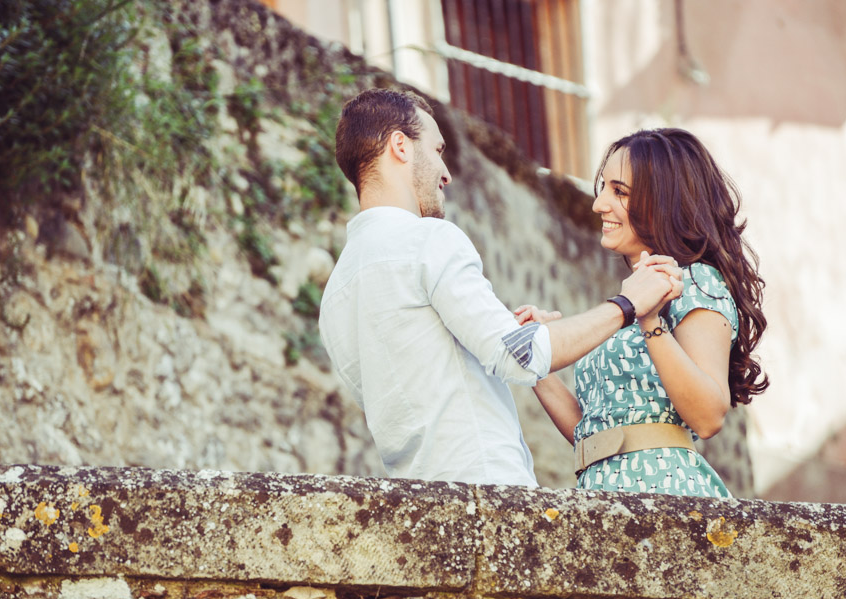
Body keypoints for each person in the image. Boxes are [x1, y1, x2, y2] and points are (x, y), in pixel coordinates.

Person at [319, 88, 682, 487]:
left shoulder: (335, 296)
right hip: (486, 491)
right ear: (401, 146)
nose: (446, 172)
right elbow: (520, 355)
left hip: (418, 502)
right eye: (437, 150)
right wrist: (628, 303)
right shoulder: (428, 240)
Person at [517, 127, 768, 497]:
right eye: (603, 187)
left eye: (619, 192)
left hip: (667, 495)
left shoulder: (695, 281)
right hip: (600, 494)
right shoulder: (631, 302)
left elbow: (709, 415)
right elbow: (594, 436)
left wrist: (650, 321)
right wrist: (533, 366)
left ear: (663, 202)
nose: (599, 204)